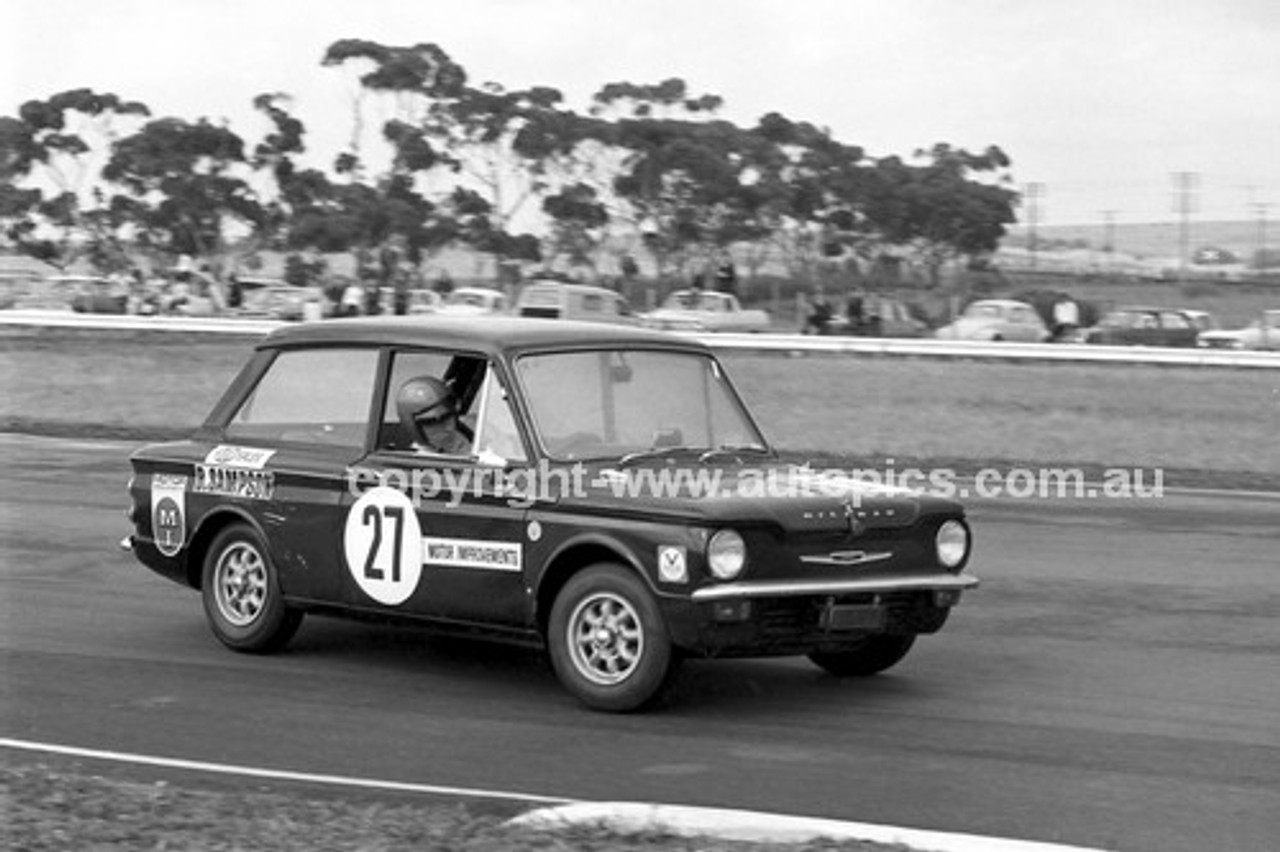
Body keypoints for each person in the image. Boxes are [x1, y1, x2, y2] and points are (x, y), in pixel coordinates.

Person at [396, 376, 472, 456]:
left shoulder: (462, 435)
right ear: (414, 428)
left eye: (450, 416)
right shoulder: (421, 462)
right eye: (436, 422)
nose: (450, 427)